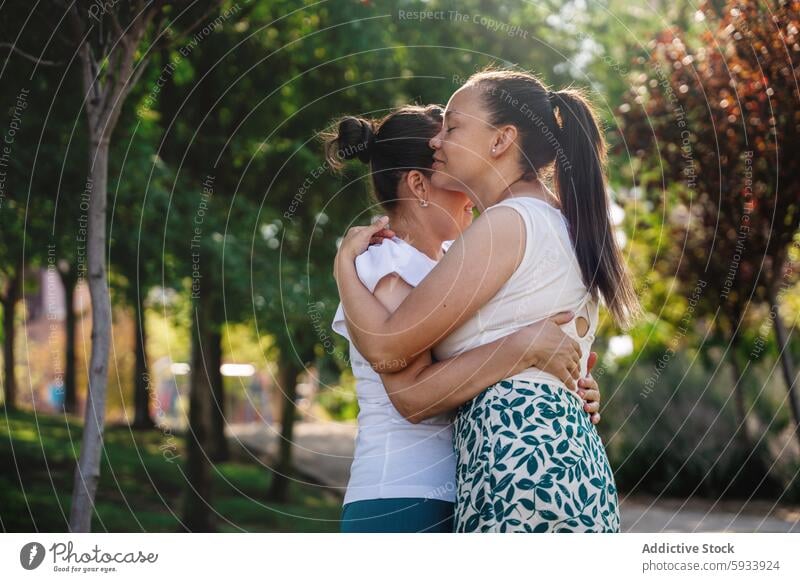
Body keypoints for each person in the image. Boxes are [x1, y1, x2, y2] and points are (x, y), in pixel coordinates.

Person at [335, 69, 640, 532]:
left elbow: (393, 357)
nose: (438, 141)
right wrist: (534, 358)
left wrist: (343, 266)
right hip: (563, 468)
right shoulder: (563, 222)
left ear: (501, 140)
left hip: (521, 473)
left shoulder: (505, 225)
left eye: (453, 127)